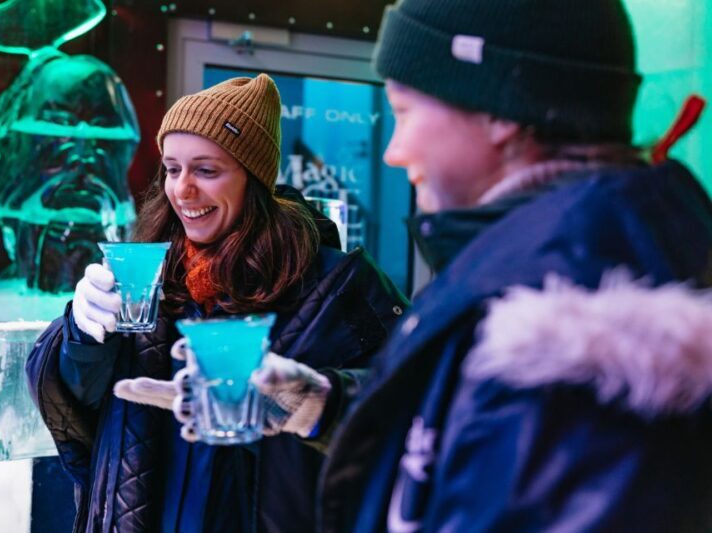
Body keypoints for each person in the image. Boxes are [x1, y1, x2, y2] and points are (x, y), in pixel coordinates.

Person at [142, 1, 712, 531]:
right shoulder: (538, 268)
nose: (394, 149)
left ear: (499, 112)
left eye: (406, 112)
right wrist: (326, 404)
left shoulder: (578, 338)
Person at [25, 73, 408, 533]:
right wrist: (80, 333)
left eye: (206, 170)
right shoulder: (149, 279)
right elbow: (82, 402)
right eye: (171, 168)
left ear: (253, 178)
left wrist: (307, 403)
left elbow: (403, 419)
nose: (183, 190)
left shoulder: (332, 288)